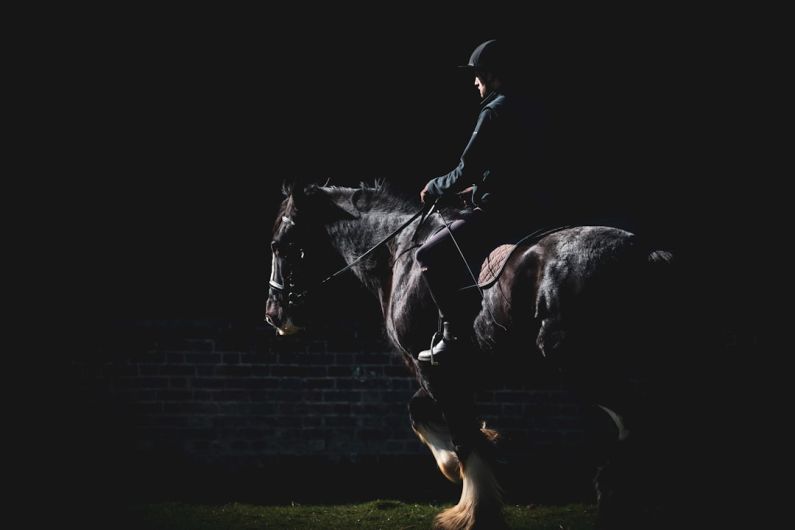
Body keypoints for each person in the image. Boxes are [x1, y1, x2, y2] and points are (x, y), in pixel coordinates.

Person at [416, 38, 548, 364]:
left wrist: (435, 186)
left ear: (491, 74)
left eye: (477, 74)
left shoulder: (494, 111)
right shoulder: (528, 107)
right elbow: (509, 166)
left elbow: (466, 168)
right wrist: (475, 189)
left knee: (427, 255)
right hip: (533, 209)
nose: (474, 82)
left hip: (498, 213)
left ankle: (452, 336)